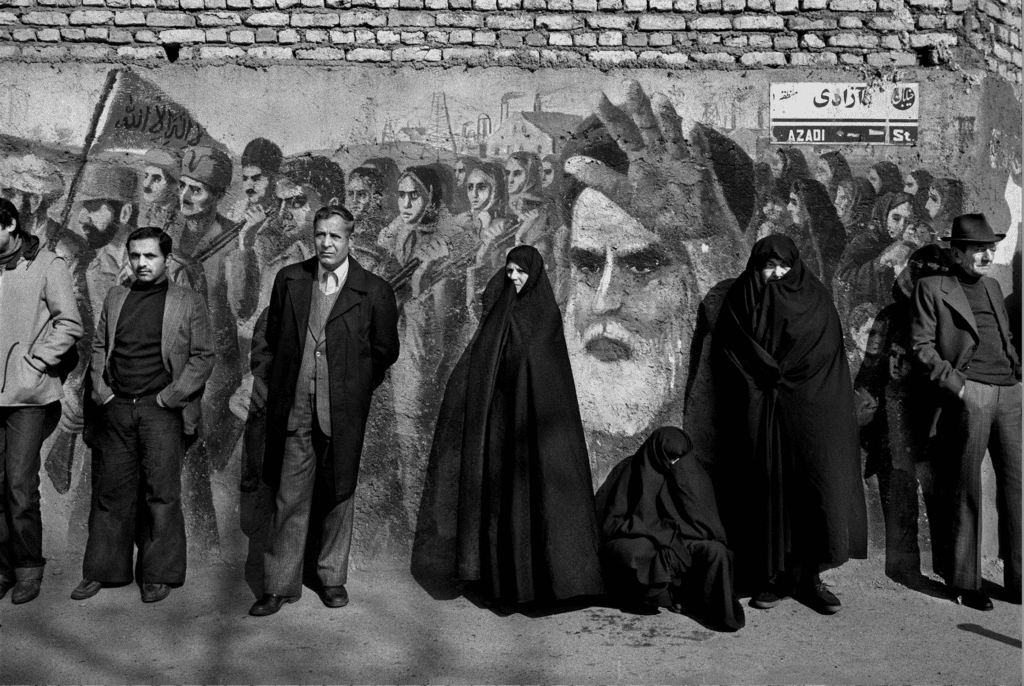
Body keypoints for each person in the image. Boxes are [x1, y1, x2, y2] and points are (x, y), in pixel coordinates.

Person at [414, 245, 604, 608]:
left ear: (535, 274)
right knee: (504, 506)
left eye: (520, 271)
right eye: (509, 270)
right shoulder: (500, 313)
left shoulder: (545, 317)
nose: (513, 277)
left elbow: (548, 379)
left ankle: (545, 586)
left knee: (540, 505)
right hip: (501, 427)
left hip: (538, 433)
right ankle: (505, 586)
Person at [249, 205, 399, 616]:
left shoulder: (374, 291)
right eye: (320, 235)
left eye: (335, 236)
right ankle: (279, 584)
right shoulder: (291, 281)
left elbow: (385, 351)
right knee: (288, 496)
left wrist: (354, 386)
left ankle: (331, 577)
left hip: (343, 412)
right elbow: (274, 336)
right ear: (312, 236)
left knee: (339, 492)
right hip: (295, 407)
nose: (326, 244)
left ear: (350, 239)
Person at [712, 235, 867, 615]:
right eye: (769, 265)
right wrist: (764, 377)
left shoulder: (815, 300)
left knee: (813, 490)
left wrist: (789, 380)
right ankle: (774, 579)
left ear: (795, 265)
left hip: (811, 411)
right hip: (761, 411)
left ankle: (809, 578)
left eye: (783, 265)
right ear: (756, 267)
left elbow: (826, 353)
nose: (777, 273)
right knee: (769, 493)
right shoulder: (740, 301)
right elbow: (732, 355)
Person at [72, 226, 214, 603]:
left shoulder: (187, 301)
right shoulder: (117, 297)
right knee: (110, 492)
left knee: (161, 493)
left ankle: (157, 573)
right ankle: (103, 570)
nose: (141, 263)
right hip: (116, 406)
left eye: (150, 256)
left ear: (166, 259)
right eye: (135, 256)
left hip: (161, 410)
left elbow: (203, 356)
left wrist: (171, 397)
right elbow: (100, 345)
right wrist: (101, 390)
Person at [909, 213, 1021, 610]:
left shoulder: (992, 285)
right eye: (977, 248)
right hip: (969, 394)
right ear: (956, 252)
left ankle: (1019, 580)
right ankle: (965, 582)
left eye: (990, 248)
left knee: (1018, 487)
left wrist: (1017, 372)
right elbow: (922, 346)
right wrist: (960, 388)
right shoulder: (932, 287)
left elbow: (1003, 336)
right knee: (966, 487)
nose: (986, 255)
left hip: (1010, 394)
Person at [0, 198, 83, 604]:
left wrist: (34, 364)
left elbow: (70, 323)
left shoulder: (49, 265)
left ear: (11, 224)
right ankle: (2, 567)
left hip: (29, 396)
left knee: (18, 483)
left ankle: (28, 568)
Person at [597, 427, 745, 631]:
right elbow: (613, 523)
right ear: (657, 453)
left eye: (680, 459)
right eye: (670, 458)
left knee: (717, 553)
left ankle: (705, 605)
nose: (674, 465)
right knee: (631, 552)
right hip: (649, 539)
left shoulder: (691, 471)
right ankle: (664, 596)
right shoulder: (634, 470)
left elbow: (709, 527)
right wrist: (654, 530)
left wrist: (687, 482)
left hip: (685, 540)